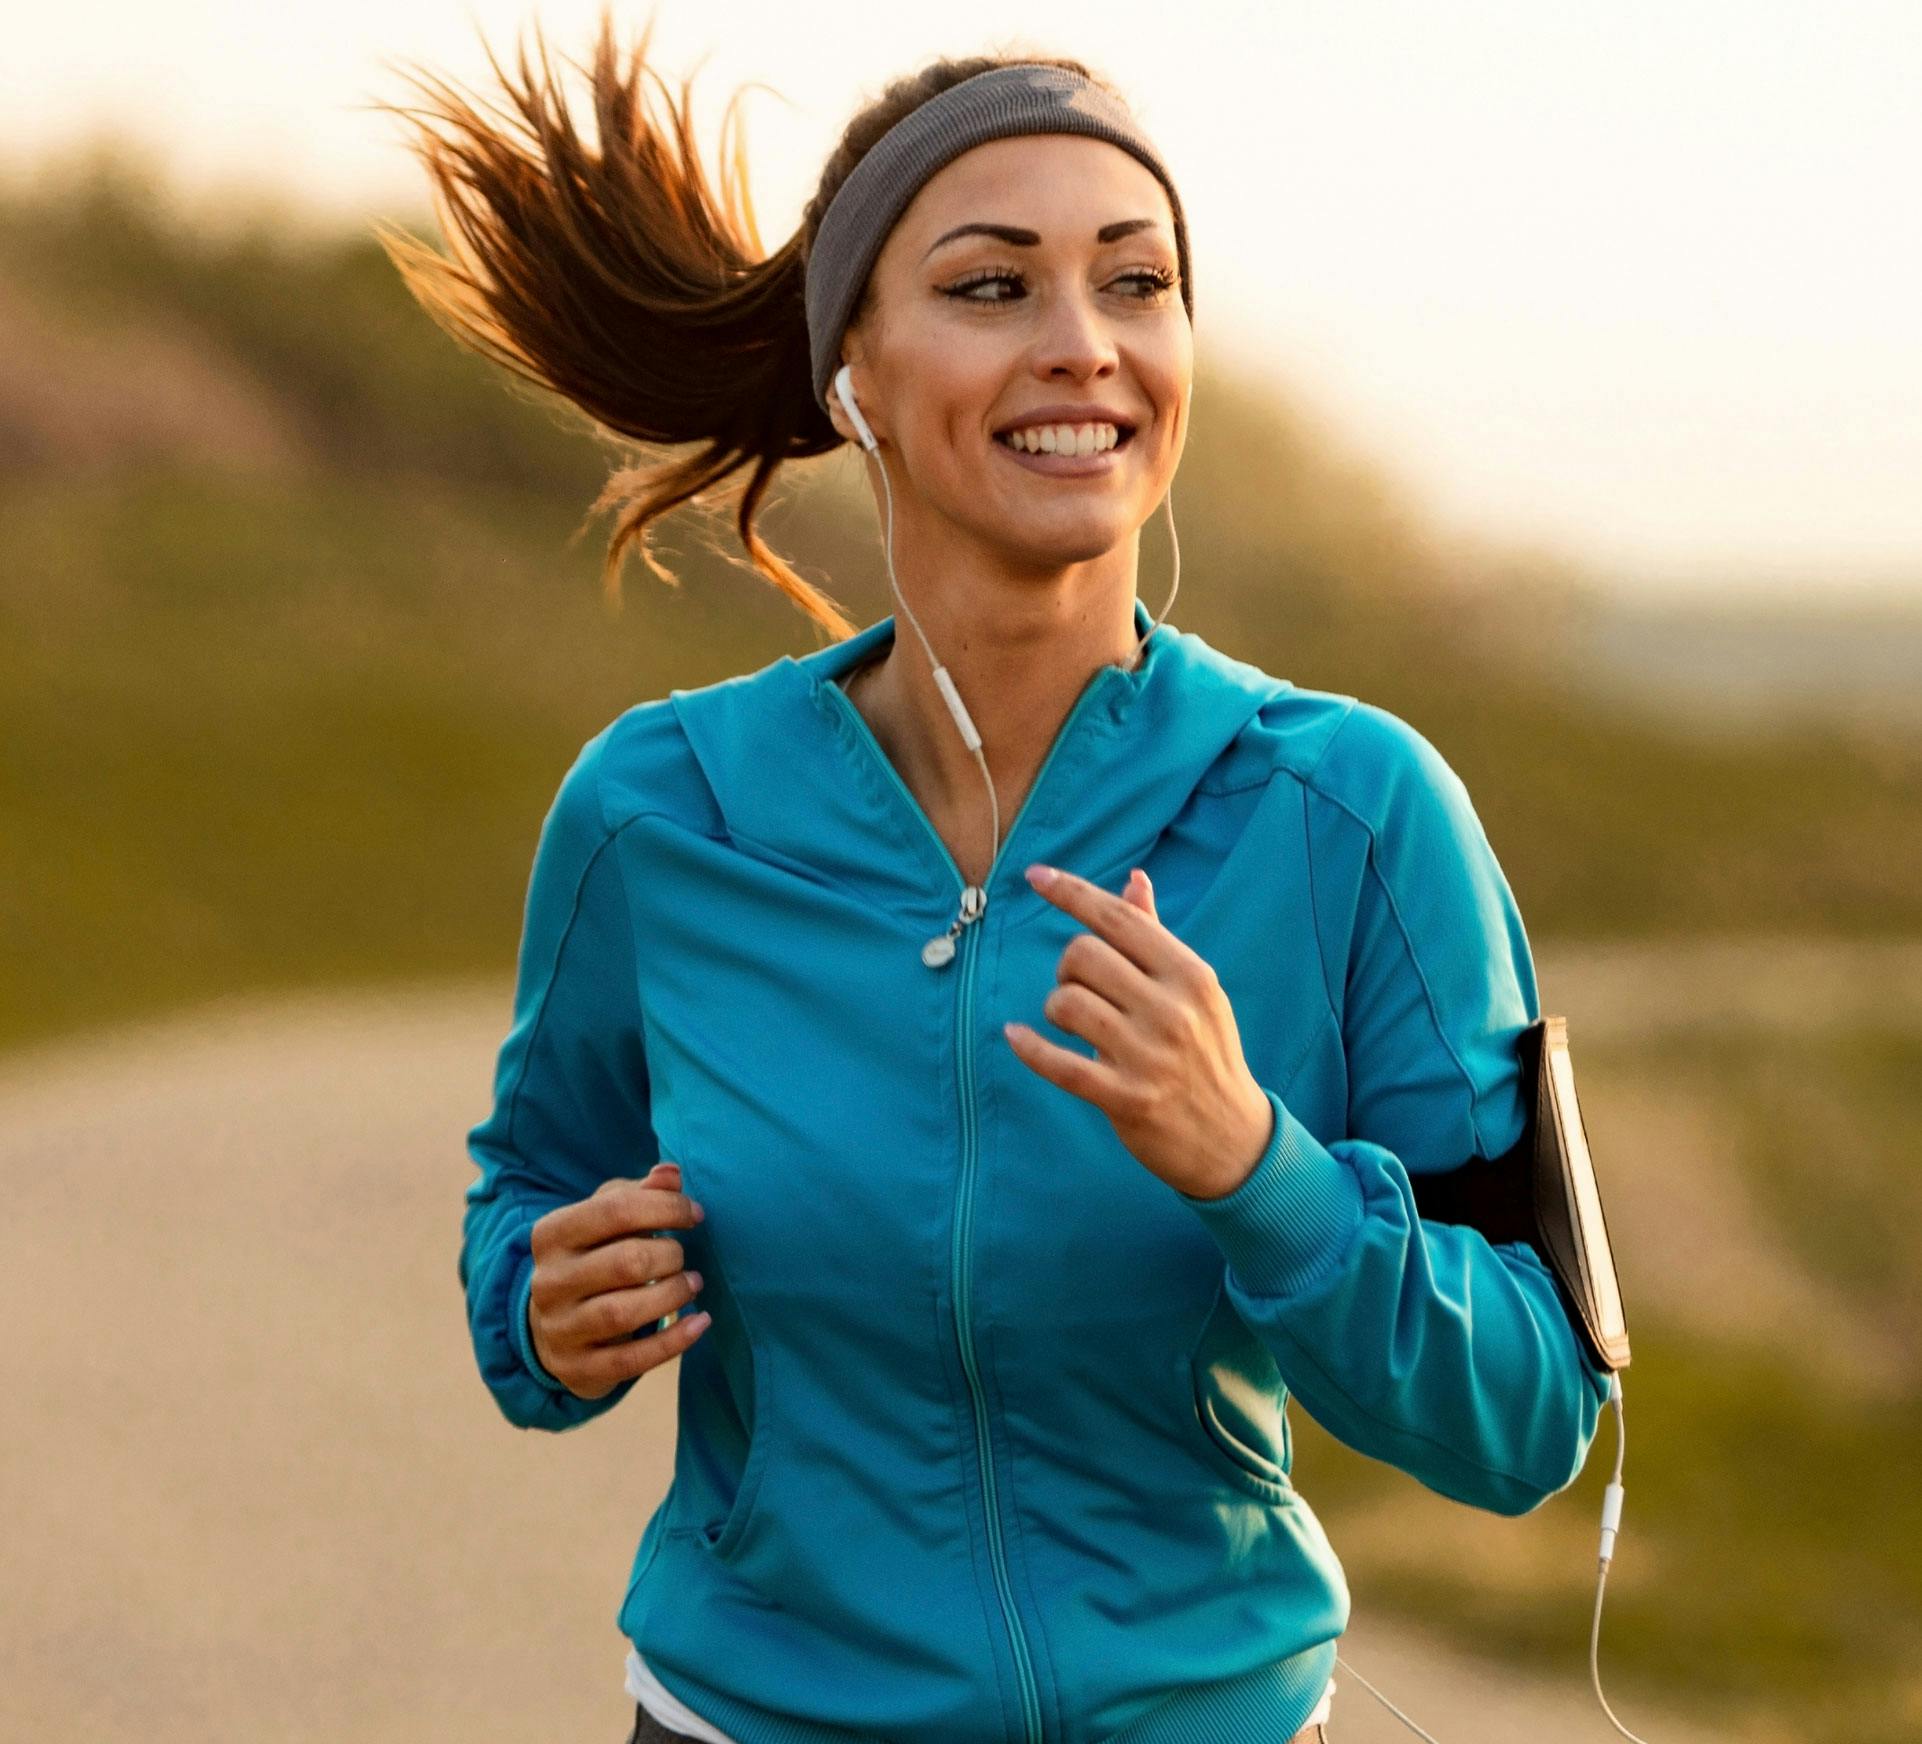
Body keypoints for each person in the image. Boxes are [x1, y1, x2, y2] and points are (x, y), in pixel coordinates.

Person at [381, 16, 1614, 1743]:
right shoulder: (660, 815)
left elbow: (1529, 1411)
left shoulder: (1349, 808)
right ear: (851, 376)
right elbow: (530, 1193)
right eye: (989, 288)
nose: (1083, 348)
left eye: (1136, 283)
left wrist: (1256, 1167)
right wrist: (542, 1306)